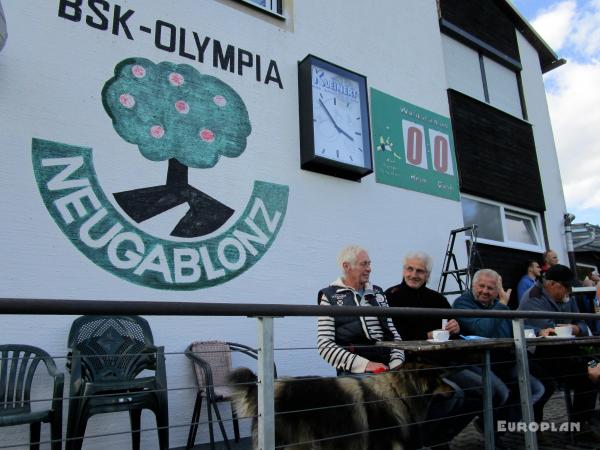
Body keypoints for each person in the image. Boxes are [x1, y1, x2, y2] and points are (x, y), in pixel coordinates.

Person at [385, 252, 506, 448]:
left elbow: (454, 330)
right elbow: (394, 334)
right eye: (410, 269)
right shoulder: (390, 297)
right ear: (403, 270)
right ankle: (429, 439)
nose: (414, 274)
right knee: (459, 394)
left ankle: (440, 436)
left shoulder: (437, 298)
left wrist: (455, 328)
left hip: (447, 363)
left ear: (427, 275)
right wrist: (427, 335)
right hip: (415, 366)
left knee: (492, 391)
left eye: (420, 271)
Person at [453, 269, 547, 423]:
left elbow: (515, 326)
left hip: (505, 361)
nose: (485, 291)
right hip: (479, 362)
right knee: (500, 392)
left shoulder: (499, 305)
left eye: (490, 288)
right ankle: (492, 431)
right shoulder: (462, 303)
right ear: (473, 285)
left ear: (497, 291)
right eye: (481, 286)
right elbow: (483, 329)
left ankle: (499, 427)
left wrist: (539, 331)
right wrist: (503, 303)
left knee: (537, 389)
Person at [519, 264, 600, 439]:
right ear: (553, 284)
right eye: (567, 287)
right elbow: (549, 332)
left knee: (595, 365)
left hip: (567, 353)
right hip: (541, 355)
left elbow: (582, 323)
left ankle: (582, 424)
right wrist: (572, 328)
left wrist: (576, 329)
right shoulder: (533, 298)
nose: (569, 291)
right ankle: (579, 427)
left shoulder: (566, 297)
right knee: (585, 371)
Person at [317, 245, 405, 374]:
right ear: (346, 266)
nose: (369, 269)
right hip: (356, 370)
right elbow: (325, 345)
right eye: (364, 264)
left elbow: (393, 332)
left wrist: (396, 361)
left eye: (369, 264)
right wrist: (366, 365)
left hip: (388, 366)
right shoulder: (329, 296)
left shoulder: (378, 293)